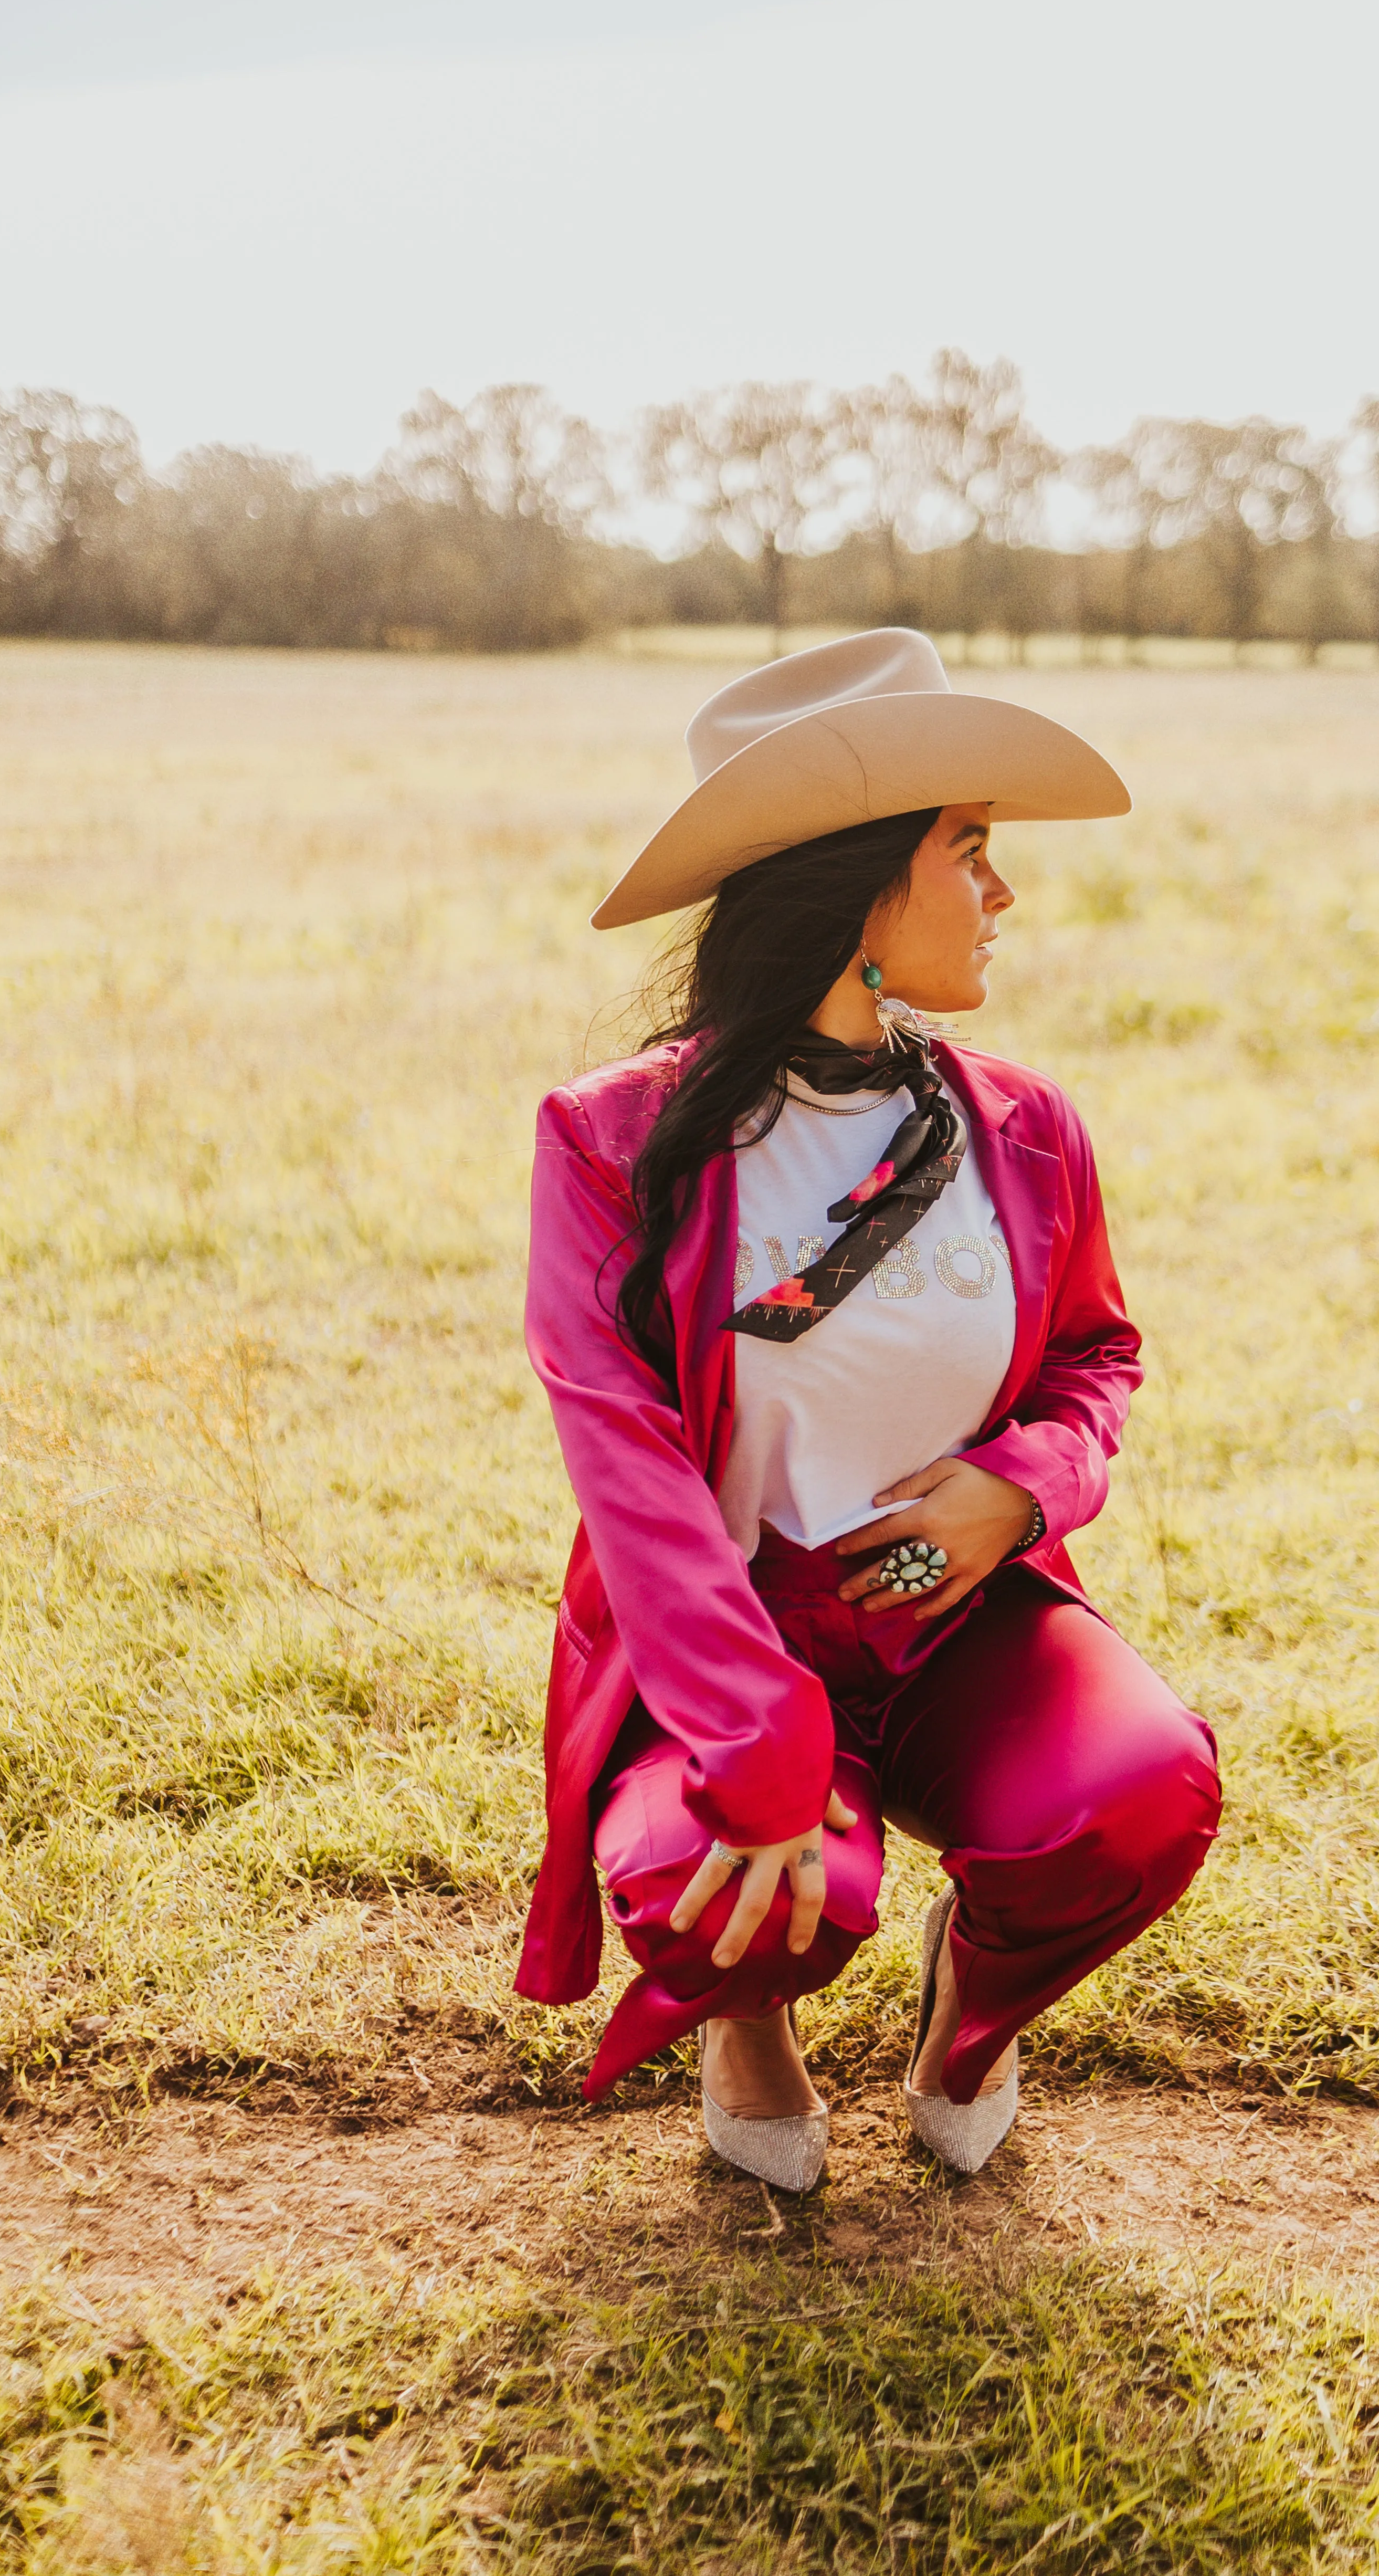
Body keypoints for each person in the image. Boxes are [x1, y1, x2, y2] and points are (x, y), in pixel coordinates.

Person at [516, 629, 1220, 2190]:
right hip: (733, 1634)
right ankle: (748, 2023)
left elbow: (1096, 1360)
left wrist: (1020, 1488)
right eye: (971, 850)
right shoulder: (613, 1144)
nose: (1004, 892)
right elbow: (628, 1475)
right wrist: (759, 1755)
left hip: (961, 1614)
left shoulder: (1026, 1129)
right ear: (862, 888)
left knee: (1145, 1791)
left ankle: (970, 2002)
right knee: (727, 1873)